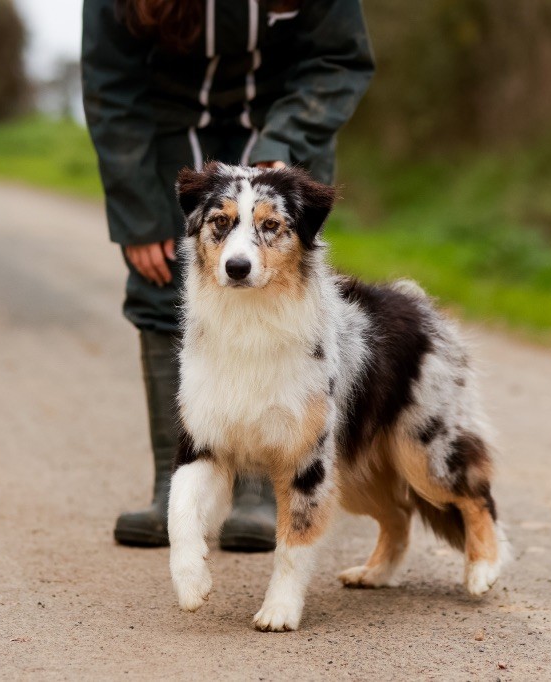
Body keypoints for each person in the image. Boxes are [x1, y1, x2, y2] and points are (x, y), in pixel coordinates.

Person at [82, 0, 374, 551]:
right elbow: (109, 87)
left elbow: (339, 57)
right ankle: (176, 488)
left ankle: (263, 491)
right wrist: (140, 215)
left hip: (284, 129)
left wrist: (284, 144)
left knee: (277, 301)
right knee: (157, 290)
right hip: (163, 137)